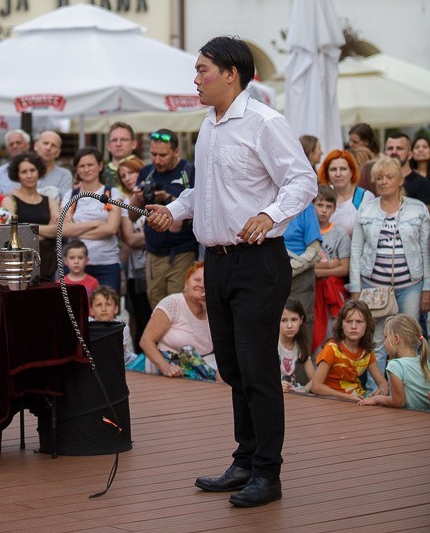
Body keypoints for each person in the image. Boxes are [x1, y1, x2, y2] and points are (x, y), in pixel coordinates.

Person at [148, 36, 317, 508]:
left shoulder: (265, 121)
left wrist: (271, 215)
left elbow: (303, 179)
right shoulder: (209, 125)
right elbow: (208, 190)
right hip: (217, 261)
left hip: (259, 262)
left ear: (231, 74)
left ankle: (268, 473)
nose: (196, 78)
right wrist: (176, 211)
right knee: (233, 367)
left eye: (203, 69)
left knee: (257, 368)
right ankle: (245, 461)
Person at [348, 156, 430, 372]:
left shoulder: (418, 209)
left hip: (410, 284)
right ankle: (377, 389)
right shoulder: (365, 210)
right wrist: (355, 288)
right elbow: (355, 251)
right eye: (379, 178)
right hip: (373, 285)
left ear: (400, 179)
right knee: (376, 340)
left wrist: (427, 287)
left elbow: (425, 250)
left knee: (409, 338)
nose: (383, 182)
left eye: (389, 177)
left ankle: (409, 388)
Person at [129, 129, 196, 309]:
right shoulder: (147, 172)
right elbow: (132, 215)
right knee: (157, 308)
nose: (157, 160)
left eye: (163, 155)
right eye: (153, 154)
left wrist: (168, 199)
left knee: (180, 307)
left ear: (176, 152)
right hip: (153, 253)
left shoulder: (190, 172)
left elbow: (197, 209)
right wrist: (138, 197)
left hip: (183, 252)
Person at [136, 261, 216, 380]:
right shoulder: (173, 302)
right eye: (197, 280)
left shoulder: (214, 309)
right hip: (169, 374)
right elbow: (146, 341)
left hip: (205, 372)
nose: (202, 284)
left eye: (206, 281)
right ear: (186, 283)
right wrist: (166, 367)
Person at [62, 147, 122, 292]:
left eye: (90, 165)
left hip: (107, 265)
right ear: (76, 169)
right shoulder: (70, 196)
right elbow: (63, 230)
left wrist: (76, 231)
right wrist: (96, 224)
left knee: (106, 311)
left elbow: (111, 229)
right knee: (75, 312)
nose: (86, 169)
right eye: (82, 166)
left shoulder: (112, 193)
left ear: (100, 166)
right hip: (74, 265)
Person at [311, 299, 388, 402]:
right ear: (341, 325)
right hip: (331, 400)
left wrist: (381, 391)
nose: (353, 326)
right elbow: (316, 386)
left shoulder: (366, 352)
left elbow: (383, 383)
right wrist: (346, 397)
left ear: (367, 325)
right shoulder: (331, 348)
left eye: (359, 322)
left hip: (357, 397)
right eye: (348, 321)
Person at [0, 151, 61, 278]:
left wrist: (26, 227)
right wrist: (45, 232)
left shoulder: (50, 200)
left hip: (47, 265)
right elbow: (13, 232)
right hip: (19, 266)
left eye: (32, 170)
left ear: (39, 171)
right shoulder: (9, 200)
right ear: (17, 175)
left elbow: (56, 230)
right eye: (24, 172)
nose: (29, 175)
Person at [358, 314, 430, 411]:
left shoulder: (395, 365)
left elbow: (399, 402)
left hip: (408, 417)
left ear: (396, 339)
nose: (384, 343)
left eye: (386, 337)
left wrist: (376, 398)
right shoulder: (423, 361)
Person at [117, 157, 151, 349]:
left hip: (157, 264)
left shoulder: (155, 196)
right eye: (123, 176)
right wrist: (157, 234)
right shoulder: (125, 203)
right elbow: (129, 238)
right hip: (136, 271)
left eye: (131, 172)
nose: (128, 178)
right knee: (138, 316)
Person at [312, 185, 350, 352]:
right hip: (312, 291)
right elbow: (304, 266)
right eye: (320, 205)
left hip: (333, 291)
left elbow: (344, 269)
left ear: (334, 209)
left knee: (333, 332)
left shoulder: (340, 233)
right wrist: (329, 264)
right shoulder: (307, 231)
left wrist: (318, 271)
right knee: (313, 332)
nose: (323, 211)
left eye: (328, 206)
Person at [282, 202, 321, 350]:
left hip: (300, 278)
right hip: (269, 277)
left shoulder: (305, 206)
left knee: (301, 326)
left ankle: (301, 371)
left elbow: (314, 250)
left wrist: (289, 269)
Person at [318, 150, 373, 235]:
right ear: (327, 174)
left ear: (351, 172)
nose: (338, 174)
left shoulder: (364, 197)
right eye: (333, 169)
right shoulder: (321, 196)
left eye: (343, 169)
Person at [278, 298, 315, 393]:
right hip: (274, 392)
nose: (289, 325)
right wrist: (276, 384)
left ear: (301, 320)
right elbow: (258, 374)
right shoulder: (272, 344)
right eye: (284, 320)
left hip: (294, 394)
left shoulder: (300, 345)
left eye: (294, 319)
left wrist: (304, 390)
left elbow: (315, 379)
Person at [385, 132, 430, 206]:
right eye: (390, 148)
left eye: (399, 148)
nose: (393, 152)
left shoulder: (423, 184)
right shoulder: (379, 182)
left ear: (410, 155)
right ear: (385, 153)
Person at [34, 130, 73, 201]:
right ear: (36, 146)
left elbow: (62, 203)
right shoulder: (24, 172)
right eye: (45, 143)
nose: (48, 148)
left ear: (58, 152)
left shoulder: (64, 175)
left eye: (53, 145)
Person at [0, 130, 31, 195]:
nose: (14, 146)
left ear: (27, 145)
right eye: (11, 144)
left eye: (18, 143)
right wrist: (9, 197)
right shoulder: (1, 171)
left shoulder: (36, 168)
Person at [103, 122, 138, 189]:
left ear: (134, 144)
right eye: (114, 140)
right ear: (108, 146)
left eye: (123, 139)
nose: (118, 144)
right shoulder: (100, 173)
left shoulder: (143, 170)